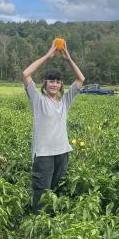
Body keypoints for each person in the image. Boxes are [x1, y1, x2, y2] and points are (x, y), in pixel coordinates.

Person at [22, 41, 85, 214]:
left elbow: (81, 79)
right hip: (43, 155)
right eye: (51, 81)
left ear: (61, 85)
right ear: (45, 83)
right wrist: (48, 55)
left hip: (62, 153)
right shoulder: (38, 100)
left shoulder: (65, 100)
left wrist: (69, 59)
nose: (54, 84)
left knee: (57, 193)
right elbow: (26, 74)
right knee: (41, 195)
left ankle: (54, 227)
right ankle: (39, 229)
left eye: (57, 82)